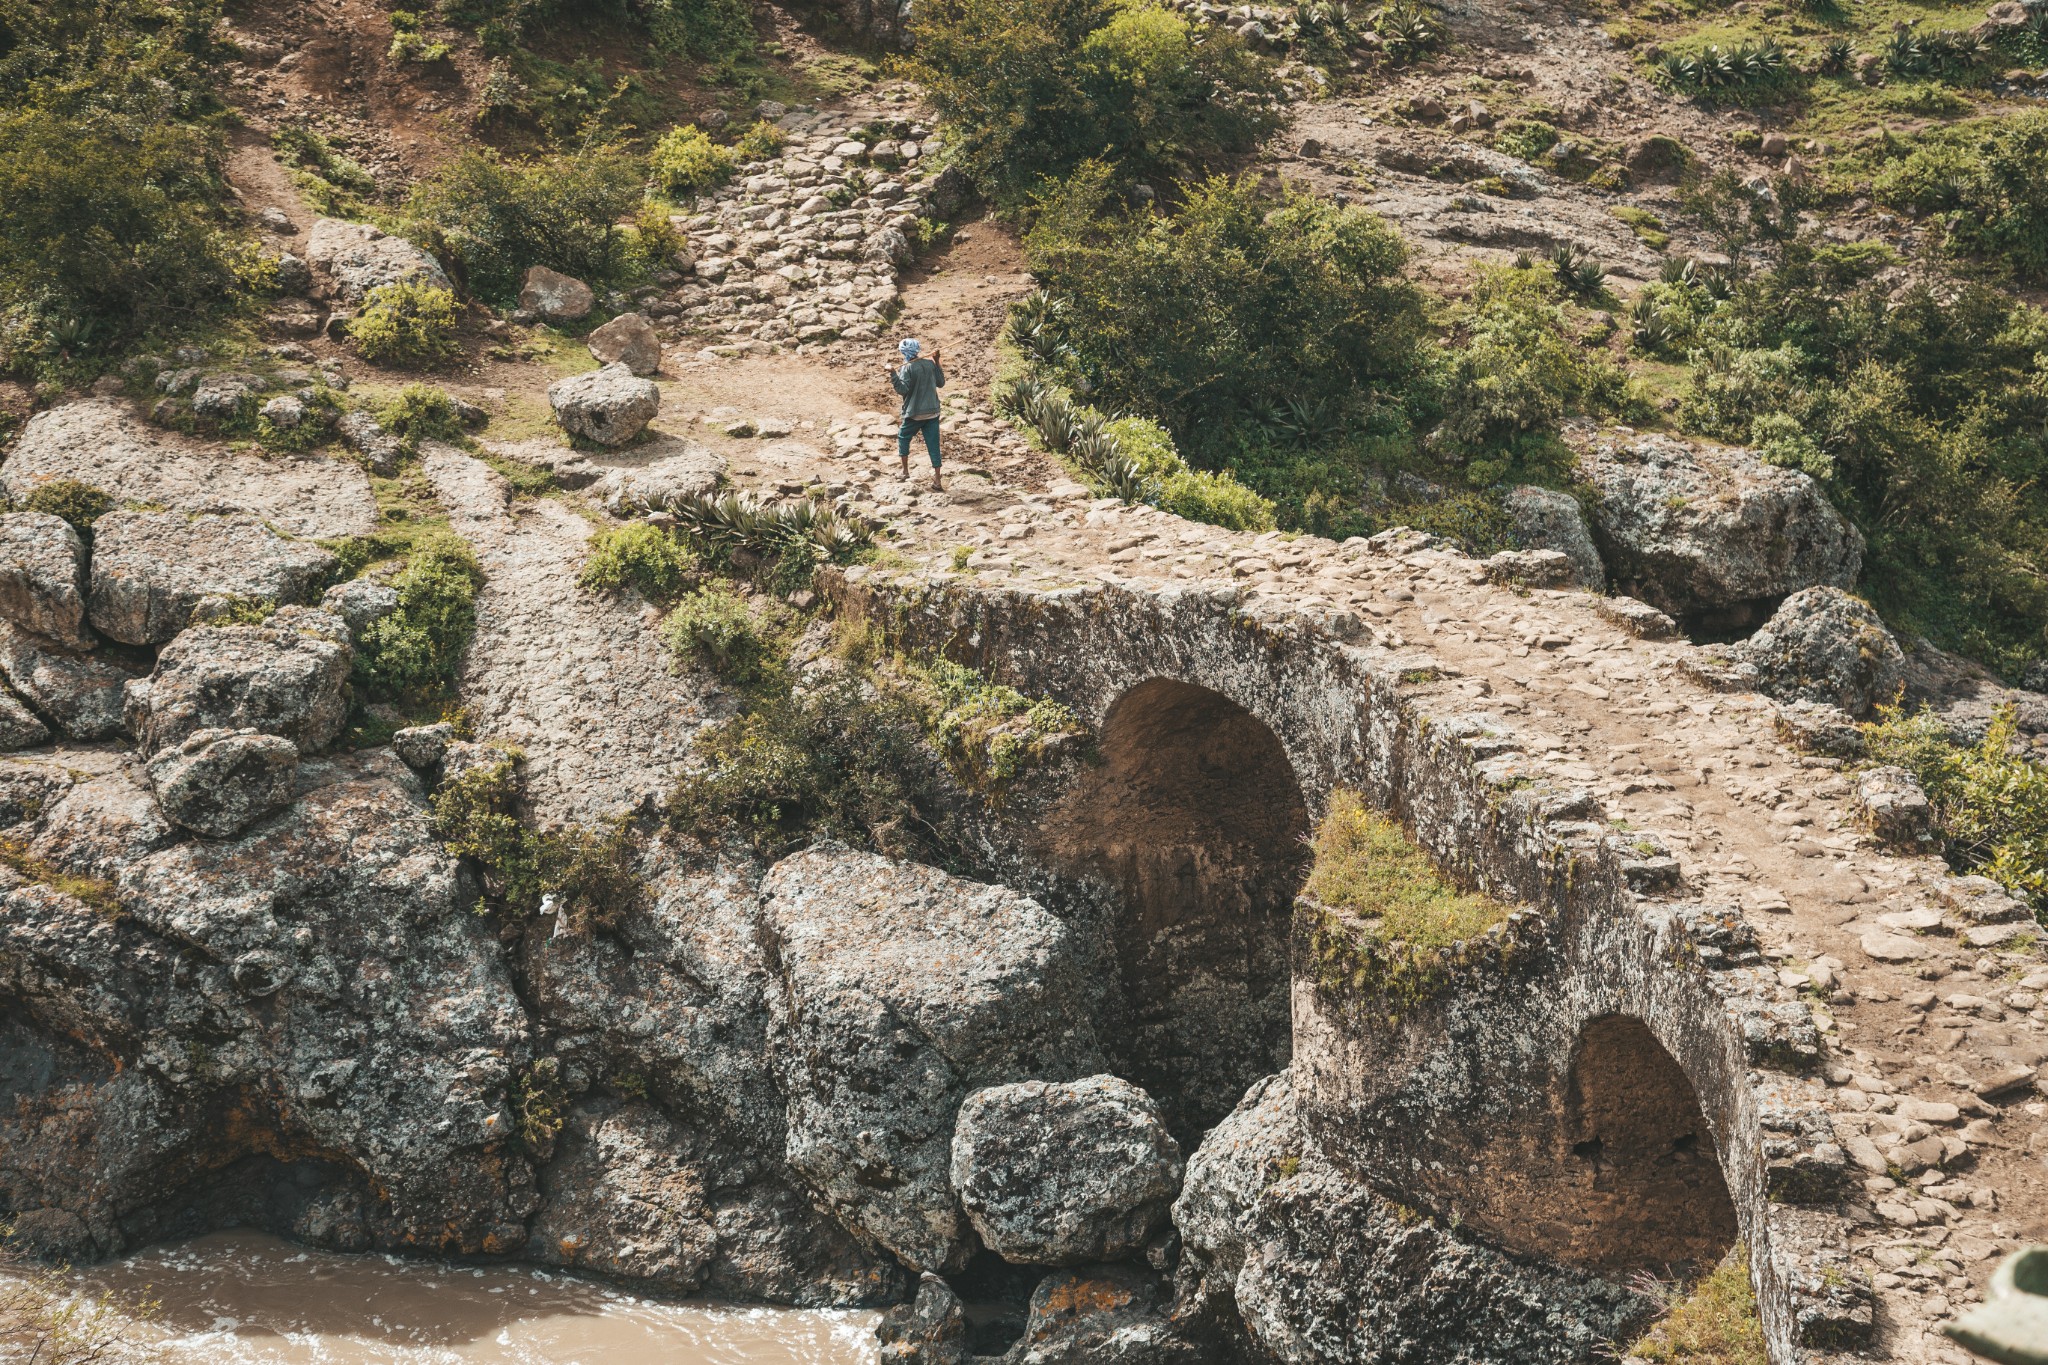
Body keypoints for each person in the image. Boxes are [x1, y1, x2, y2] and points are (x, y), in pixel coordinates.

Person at [888, 338, 945, 490]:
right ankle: (938, 480)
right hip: (933, 412)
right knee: (933, 445)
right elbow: (941, 383)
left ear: (904, 353)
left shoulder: (907, 368)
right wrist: (936, 360)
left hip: (914, 413)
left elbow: (902, 390)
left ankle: (905, 472)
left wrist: (893, 374)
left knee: (903, 437)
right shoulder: (929, 364)